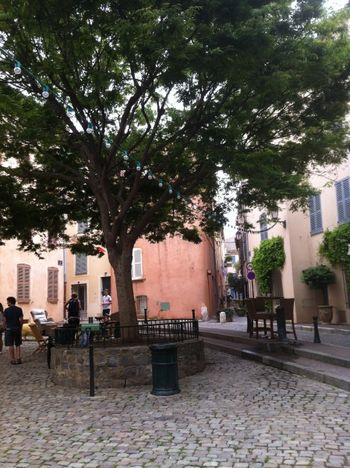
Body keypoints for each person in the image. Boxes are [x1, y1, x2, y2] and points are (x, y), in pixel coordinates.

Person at [3, 296, 23, 365]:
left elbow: (4, 321)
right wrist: (20, 327)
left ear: (10, 302)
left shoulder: (6, 310)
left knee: (10, 345)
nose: (7, 303)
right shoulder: (19, 309)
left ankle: (13, 360)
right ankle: (18, 358)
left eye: (7, 301)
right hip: (17, 329)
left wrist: (5, 327)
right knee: (18, 344)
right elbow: (21, 320)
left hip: (9, 329)